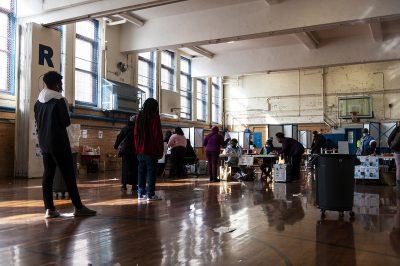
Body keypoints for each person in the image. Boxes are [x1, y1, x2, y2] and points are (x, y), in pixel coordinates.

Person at [34, 71, 96, 218]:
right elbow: (66, 122)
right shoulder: (59, 100)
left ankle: (49, 209)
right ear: (57, 84)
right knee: (68, 175)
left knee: (48, 175)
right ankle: (78, 207)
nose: (61, 86)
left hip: (44, 143)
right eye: (60, 83)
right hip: (59, 143)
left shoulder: (38, 102)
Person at [134, 98, 164, 201]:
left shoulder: (139, 117)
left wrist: (137, 148)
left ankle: (141, 193)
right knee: (151, 172)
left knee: (141, 171)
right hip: (151, 151)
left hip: (140, 150)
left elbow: (136, 135)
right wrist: (160, 150)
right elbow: (157, 135)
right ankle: (150, 194)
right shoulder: (154, 118)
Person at [114, 116, 137, 193]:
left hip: (125, 151)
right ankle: (134, 186)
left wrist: (116, 146)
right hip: (135, 151)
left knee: (125, 168)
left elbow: (119, 137)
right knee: (134, 168)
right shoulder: (137, 129)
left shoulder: (125, 128)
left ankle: (124, 186)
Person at [388, 122, 400, 189]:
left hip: (397, 151)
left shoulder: (397, 129)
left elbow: (389, 138)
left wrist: (390, 146)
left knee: (398, 167)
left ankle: (398, 185)